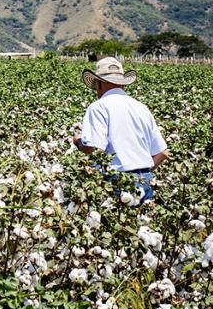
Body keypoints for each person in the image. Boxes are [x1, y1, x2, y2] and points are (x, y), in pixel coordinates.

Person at [72, 57, 169, 205]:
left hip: (115, 181)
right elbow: (162, 153)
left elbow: (94, 149)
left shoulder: (98, 107)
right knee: (143, 226)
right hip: (145, 181)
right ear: (123, 84)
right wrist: (142, 176)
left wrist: (78, 142)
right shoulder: (141, 107)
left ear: (98, 83)